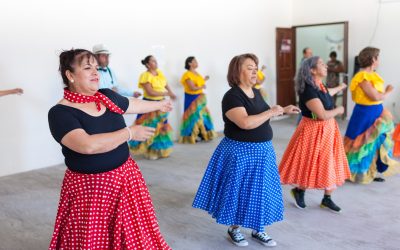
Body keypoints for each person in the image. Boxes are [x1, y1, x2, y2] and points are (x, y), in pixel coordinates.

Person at [48, 49, 171, 249]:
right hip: (90, 190)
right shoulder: (60, 112)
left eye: (96, 68)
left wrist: (159, 104)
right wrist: (129, 133)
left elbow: (131, 104)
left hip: (125, 178)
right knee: (92, 239)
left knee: (133, 236)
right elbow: (86, 145)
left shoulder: (105, 96)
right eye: (88, 68)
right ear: (70, 75)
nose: (95, 72)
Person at [193, 53, 300, 247]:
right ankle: (234, 229)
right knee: (239, 191)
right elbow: (245, 123)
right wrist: (272, 111)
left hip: (263, 151)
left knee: (260, 191)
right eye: (250, 67)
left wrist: (282, 109)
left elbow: (262, 117)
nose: (255, 71)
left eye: (255, 67)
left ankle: (258, 229)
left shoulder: (256, 92)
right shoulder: (232, 96)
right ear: (237, 71)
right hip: (240, 152)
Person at [279, 56, 350, 213]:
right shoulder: (308, 90)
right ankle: (299, 190)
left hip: (329, 129)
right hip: (313, 129)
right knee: (310, 162)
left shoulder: (319, 85)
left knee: (329, 161)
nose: (326, 66)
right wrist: (339, 110)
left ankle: (327, 198)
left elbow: (327, 92)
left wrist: (340, 87)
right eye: (322, 64)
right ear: (312, 70)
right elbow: (322, 115)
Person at [344, 47, 400, 183]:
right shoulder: (362, 76)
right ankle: (353, 173)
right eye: (378, 57)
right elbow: (374, 96)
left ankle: (370, 172)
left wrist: (383, 94)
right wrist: (387, 92)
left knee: (374, 142)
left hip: (376, 111)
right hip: (365, 113)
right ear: (373, 59)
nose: (379, 60)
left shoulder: (373, 75)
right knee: (361, 141)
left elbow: (376, 98)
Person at [128, 55, 176, 160]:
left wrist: (170, 93)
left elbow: (166, 84)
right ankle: (149, 151)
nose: (156, 62)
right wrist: (167, 93)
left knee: (161, 128)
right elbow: (150, 92)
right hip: (149, 105)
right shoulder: (145, 75)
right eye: (153, 61)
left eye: (156, 60)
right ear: (148, 64)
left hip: (161, 104)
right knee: (150, 127)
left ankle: (159, 150)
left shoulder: (160, 73)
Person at [178, 56, 217, 143]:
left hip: (200, 97)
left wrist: (204, 80)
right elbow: (192, 87)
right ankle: (191, 136)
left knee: (202, 116)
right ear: (189, 63)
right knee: (192, 117)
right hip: (191, 98)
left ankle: (203, 134)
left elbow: (198, 84)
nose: (197, 62)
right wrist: (202, 86)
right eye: (194, 61)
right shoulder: (187, 74)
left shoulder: (197, 74)